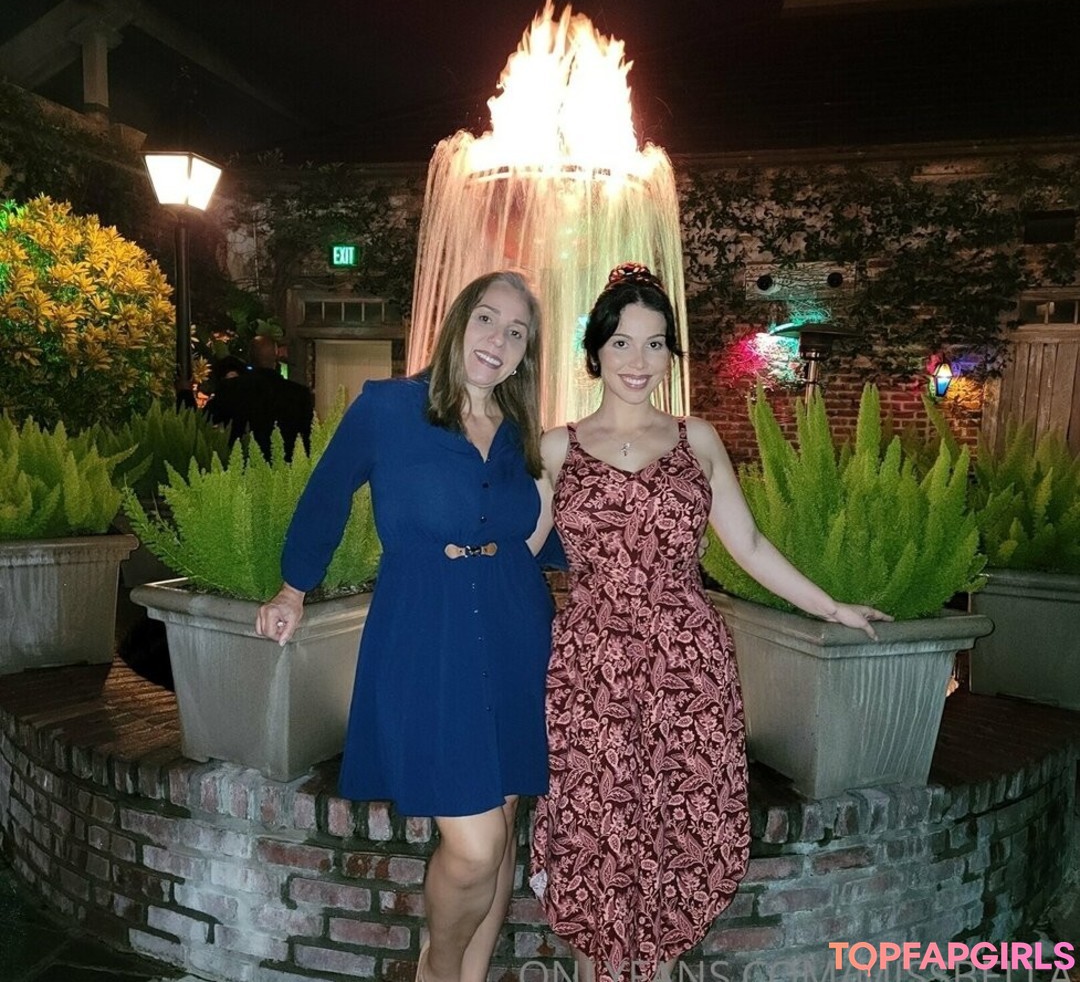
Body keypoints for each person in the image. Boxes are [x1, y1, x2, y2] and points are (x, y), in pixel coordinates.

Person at [527, 263, 890, 982]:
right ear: (595, 351)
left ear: (671, 353)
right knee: (591, 830)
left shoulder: (697, 440)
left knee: (678, 828)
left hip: (686, 664)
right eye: (623, 343)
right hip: (589, 668)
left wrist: (831, 607)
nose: (639, 361)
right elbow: (515, 555)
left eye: (656, 344)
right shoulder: (553, 448)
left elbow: (748, 545)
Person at [255, 272, 554, 982]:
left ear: (526, 353)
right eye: (487, 319)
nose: (498, 340)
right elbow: (327, 493)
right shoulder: (388, 408)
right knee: (476, 845)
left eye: (516, 332)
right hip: (425, 630)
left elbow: (540, 534)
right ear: (458, 321)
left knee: (504, 822)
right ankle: (436, 971)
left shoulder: (521, 434)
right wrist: (294, 588)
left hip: (515, 626)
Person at [205, 334, 314, 460]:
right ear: (276, 356)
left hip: (242, 463)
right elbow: (308, 438)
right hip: (287, 466)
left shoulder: (231, 388)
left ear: (249, 357)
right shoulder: (298, 394)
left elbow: (203, 420)